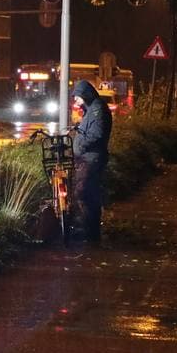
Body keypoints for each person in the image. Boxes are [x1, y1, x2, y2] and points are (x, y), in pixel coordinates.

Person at [72, 79, 112, 243]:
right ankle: (90, 232)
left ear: (85, 95)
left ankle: (91, 234)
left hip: (91, 159)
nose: (75, 100)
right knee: (88, 194)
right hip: (88, 158)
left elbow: (96, 135)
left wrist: (80, 145)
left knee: (85, 193)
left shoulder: (97, 110)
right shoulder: (91, 109)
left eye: (77, 96)